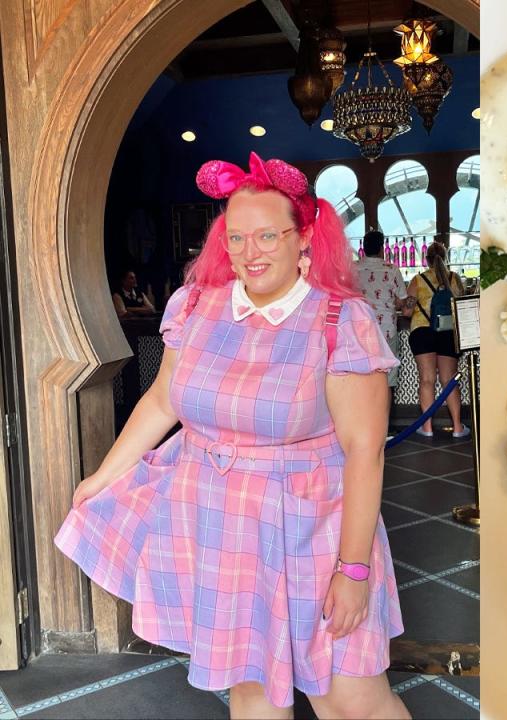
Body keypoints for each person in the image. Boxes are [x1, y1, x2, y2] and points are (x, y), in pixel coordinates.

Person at [55, 152, 409, 720]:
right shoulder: (194, 307)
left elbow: (364, 452)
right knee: (251, 691)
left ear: (304, 239)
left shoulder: (340, 321)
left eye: (268, 235)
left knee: (352, 699)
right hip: (217, 523)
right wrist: (104, 475)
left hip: (312, 529)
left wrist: (354, 570)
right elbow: (162, 400)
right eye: (238, 237)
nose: (251, 252)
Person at [406, 241, 469, 438]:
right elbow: (461, 307)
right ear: (446, 257)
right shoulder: (454, 278)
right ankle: (458, 427)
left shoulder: (418, 280)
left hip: (423, 332)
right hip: (448, 333)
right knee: (449, 380)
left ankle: (427, 428)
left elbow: (407, 311)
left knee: (427, 379)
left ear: (426, 259)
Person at [354, 230, 406, 421]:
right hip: (386, 330)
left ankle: (362, 424)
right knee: (386, 382)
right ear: (382, 248)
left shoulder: (353, 269)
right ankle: (383, 427)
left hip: (359, 332)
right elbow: (402, 302)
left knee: (361, 379)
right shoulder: (391, 269)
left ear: (363, 247)